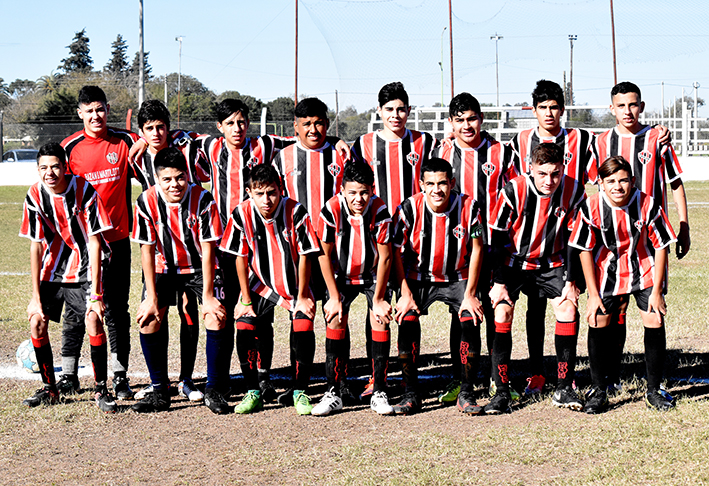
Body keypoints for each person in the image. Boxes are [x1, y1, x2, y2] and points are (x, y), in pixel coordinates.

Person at [594, 81, 689, 392]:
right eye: (621, 106)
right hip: (613, 244)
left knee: (653, 312)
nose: (627, 111)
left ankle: (654, 386)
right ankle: (608, 378)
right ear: (612, 109)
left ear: (642, 106)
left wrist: (684, 224)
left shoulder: (656, 139)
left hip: (650, 243)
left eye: (633, 104)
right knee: (612, 313)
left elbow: (675, 183)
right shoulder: (600, 142)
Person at [505, 80, 597, 398]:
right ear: (534, 110)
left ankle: (564, 378)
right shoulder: (519, 140)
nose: (549, 113)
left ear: (562, 109)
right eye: (543, 107)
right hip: (523, 246)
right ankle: (533, 373)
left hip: (561, 239)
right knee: (531, 309)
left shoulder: (581, 139)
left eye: (554, 106)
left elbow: (609, 160)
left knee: (565, 305)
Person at [569, 156, 677, 413]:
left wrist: (658, 291)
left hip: (644, 270)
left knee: (655, 319)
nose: (617, 186)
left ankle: (654, 390)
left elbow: (661, 246)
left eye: (623, 180)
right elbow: (585, 249)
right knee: (597, 321)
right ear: (601, 183)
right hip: (606, 272)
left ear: (633, 181)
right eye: (610, 181)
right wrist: (593, 294)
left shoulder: (647, 204)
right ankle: (598, 390)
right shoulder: (590, 207)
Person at [351, 81, 438, 399]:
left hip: (414, 238)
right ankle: (378, 377)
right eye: (389, 109)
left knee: (407, 308)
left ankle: (407, 375)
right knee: (377, 306)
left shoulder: (425, 142)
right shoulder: (363, 144)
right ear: (379, 112)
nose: (396, 115)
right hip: (376, 239)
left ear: (409, 111)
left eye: (401, 109)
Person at [486, 144, 585, 414]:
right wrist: (498, 282)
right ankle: (502, 390)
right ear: (531, 168)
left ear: (562, 169)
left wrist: (570, 280)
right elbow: (496, 238)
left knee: (567, 307)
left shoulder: (574, 189)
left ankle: (564, 387)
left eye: (555, 174)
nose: (549, 181)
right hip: (513, 261)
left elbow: (574, 238)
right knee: (502, 312)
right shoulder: (513, 190)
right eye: (542, 174)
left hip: (552, 261)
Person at [19, 142, 117, 412]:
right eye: (43, 168)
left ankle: (100, 390)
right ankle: (50, 389)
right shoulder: (35, 195)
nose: (49, 172)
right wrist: (35, 299)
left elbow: (96, 242)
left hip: (85, 268)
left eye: (54, 166)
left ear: (65, 167)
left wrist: (96, 295)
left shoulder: (84, 190)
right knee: (37, 322)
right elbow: (36, 245)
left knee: (94, 320)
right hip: (53, 269)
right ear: (37, 170)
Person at [433, 92, 517, 404]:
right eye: (460, 120)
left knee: (497, 312)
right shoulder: (441, 150)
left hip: (494, 245)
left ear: (481, 118)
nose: (467, 125)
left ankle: (498, 381)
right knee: (463, 314)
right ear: (451, 124)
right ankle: (461, 379)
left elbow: (516, 194)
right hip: (458, 247)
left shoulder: (500, 152)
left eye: (472, 118)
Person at [130, 147, 226, 413]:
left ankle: (214, 389)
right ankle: (160, 391)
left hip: (199, 267)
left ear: (188, 175)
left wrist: (207, 296)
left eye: (180, 177)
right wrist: (150, 297)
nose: (175, 184)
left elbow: (208, 250)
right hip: (164, 267)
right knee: (147, 318)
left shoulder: (204, 199)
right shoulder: (146, 201)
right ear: (157, 179)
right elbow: (147, 251)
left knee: (215, 315)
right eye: (168, 179)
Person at [220, 165, 320, 415]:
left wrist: (304, 295)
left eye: (272, 193)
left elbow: (307, 255)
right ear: (249, 192)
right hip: (259, 282)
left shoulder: (296, 211)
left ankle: (300, 391)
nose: (266, 200)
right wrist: (244, 300)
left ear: (280, 189)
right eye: (259, 193)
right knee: (244, 324)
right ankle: (253, 391)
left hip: (294, 284)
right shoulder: (241, 214)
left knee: (303, 325)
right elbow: (240, 258)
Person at [60, 86, 139, 400]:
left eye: (100, 109)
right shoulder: (69, 148)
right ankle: (68, 376)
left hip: (117, 241)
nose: (95, 116)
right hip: (80, 246)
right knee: (76, 310)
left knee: (117, 311)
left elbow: (150, 139)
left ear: (108, 109)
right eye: (89, 111)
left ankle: (120, 377)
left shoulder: (125, 140)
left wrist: (145, 139)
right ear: (80, 113)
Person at [272, 97, 351, 404]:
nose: (313, 129)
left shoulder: (340, 154)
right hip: (297, 253)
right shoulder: (282, 158)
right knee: (301, 314)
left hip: (335, 250)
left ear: (327, 124)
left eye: (319, 123)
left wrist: (338, 141)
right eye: (306, 124)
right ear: (295, 126)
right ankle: (299, 384)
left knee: (336, 314)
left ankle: (338, 381)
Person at [391, 157, 484, 415]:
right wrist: (405, 293)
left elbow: (477, 250)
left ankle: (466, 392)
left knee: (470, 318)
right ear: (421, 184)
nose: (436, 190)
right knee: (406, 318)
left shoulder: (469, 206)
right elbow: (396, 253)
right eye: (430, 183)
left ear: (451, 182)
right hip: (418, 276)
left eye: (442, 183)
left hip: (457, 275)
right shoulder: (408, 209)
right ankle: (410, 393)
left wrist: (471, 294)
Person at [132, 99, 208, 403]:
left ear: (169, 126)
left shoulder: (187, 147)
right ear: (140, 131)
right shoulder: (136, 157)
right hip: (159, 249)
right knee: (153, 312)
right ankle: (159, 382)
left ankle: (186, 379)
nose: (155, 133)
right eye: (148, 129)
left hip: (191, 248)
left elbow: (210, 141)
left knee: (190, 312)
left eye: (161, 127)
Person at [314, 160, 395, 416]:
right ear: (342, 190)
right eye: (352, 192)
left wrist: (380, 298)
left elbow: (385, 257)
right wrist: (334, 297)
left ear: (372, 189)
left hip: (372, 274)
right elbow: (324, 255)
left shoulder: (380, 209)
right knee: (336, 318)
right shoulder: (330, 210)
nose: (358, 198)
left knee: (380, 319)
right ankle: (334, 391)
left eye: (364, 192)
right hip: (341, 274)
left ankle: (379, 389)